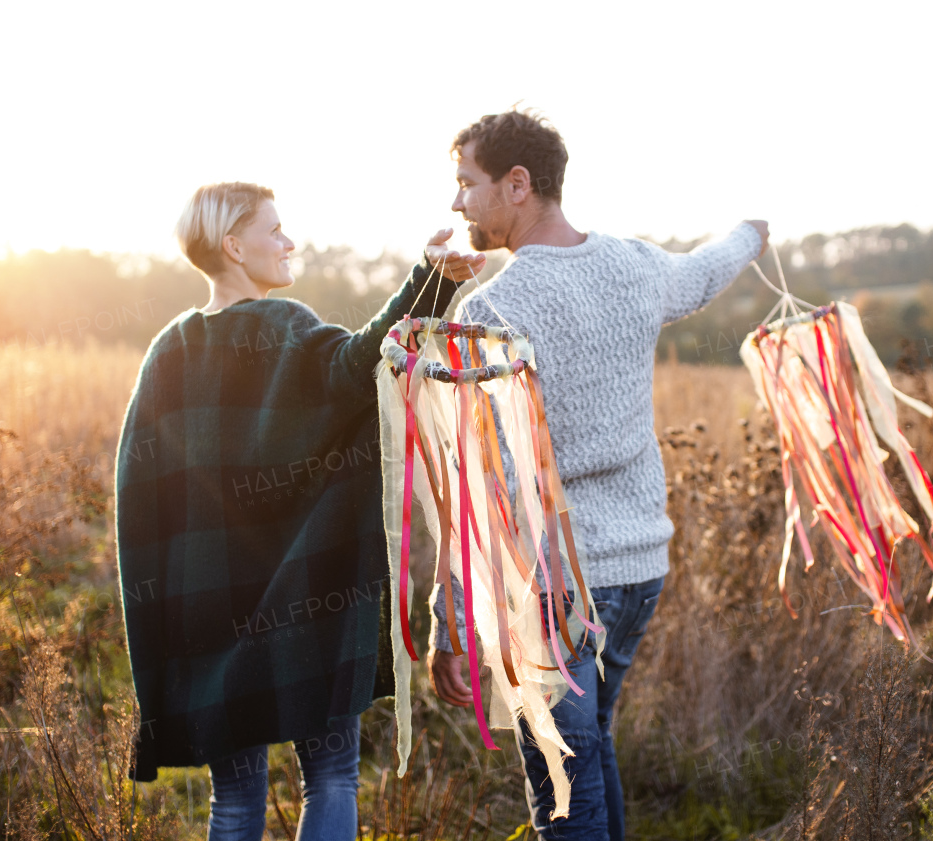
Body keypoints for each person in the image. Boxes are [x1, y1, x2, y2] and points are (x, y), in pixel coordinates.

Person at [426, 111, 769, 840]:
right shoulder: (636, 265)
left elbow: (479, 485)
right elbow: (703, 272)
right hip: (642, 564)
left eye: (467, 184)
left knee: (563, 789)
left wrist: (448, 623)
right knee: (593, 746)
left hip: (555, 587)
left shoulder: (489, 310)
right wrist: (752, 231)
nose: (458, 203)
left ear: (518, 185)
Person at [115, 181, 484, 841]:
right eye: (275, 230)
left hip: (207, 606)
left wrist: (164, 610)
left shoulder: (168, 351)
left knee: (234, 797)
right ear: (233, 245)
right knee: (332, 776)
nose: (290, 242)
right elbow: (363, 361)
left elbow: (140, 498)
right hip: (308, 600)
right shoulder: (287, 331)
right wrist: (428, 282)